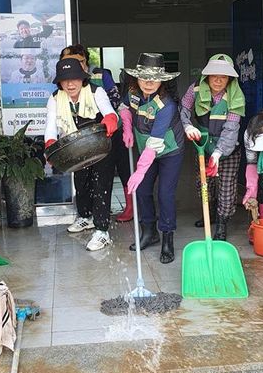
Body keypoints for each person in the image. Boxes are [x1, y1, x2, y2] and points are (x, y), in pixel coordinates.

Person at [44, 57, 119, 252]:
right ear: (59, 82)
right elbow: (51, 128)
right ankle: (85, 217)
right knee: (81, 183)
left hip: (101, 145)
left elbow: (110, 112)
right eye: (65, 79)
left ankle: (102, 231)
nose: (70, 83)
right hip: (76, 148)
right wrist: (50, 146)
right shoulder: (55, 99)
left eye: (75, 78)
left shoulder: (96, 91)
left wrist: (111, 120)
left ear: (82, 78)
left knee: (101, 185)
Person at [119, 53, 185, 264]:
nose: (148, 83)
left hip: (169, 151)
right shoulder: (132, 92)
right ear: (136, 78)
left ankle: (167, 237)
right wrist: (127, 128)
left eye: (153, 79)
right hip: (143, 146)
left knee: (165, 193)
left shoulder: (167, 105)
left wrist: (139, 170)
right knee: (143, 190)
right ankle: (149, 232)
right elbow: (124, 109)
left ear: (162, 80)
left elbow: (155, 141)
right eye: (144, 78)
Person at [60, 44, 133, 223]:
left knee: (121, 169)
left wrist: (103, 116)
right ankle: (88, 214)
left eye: (79, 61)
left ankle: (130, 207)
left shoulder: (100, 75)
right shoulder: (65, 84)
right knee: (85, 174)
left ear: (85, 62)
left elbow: (115, 99)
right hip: (84, 137)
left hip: (111, 130)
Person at [180, 54, 245, 241]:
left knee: (226, 188)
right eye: (214, 75)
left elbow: (231, 129)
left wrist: (218, 153)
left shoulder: (235, 96)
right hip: (203, 145)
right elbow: (183, 110)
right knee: (205, 185)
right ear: (207, 75)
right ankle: (209, 215)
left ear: (230, 79)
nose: (218, 80)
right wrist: (187, 125)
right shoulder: (195, 89)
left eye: (223, 77)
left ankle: (222, 223)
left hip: (228, 149)